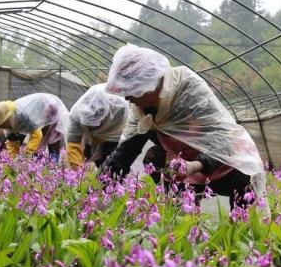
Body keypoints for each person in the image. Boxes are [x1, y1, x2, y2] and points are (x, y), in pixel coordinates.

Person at [99, 45, 268, 212]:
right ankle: (184, 220)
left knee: (244, 218)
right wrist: (96, 192)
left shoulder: (188, 88)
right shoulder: (141, 109)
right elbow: (123, 154)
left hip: (226, 165)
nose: (128, 97)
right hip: (184, 170)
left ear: (152, 84)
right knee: (154, 159)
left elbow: (225, 138)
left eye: (133, 91)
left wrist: (195, 165)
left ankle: (243, 229)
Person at [0, 93, 69, 160]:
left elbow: (37, 135)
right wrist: (13, 160)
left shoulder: (22, 116)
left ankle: (53, 165)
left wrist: (26, 155)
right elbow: (12, 141)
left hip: (50, 106)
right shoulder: (7, 123)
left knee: (52, 139)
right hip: (38, 110)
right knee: (40, 142)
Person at [65, 83, 130, 169]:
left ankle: (109, 179)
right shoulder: (76, 114)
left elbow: (117, 137)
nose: (93, 128)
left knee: (110, 161)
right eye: (88, 125)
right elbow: (73, 144)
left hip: (113, 133)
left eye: (95, 125)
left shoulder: (120, 107)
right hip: (90, 131)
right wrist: (77, 174)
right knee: (85, 153)